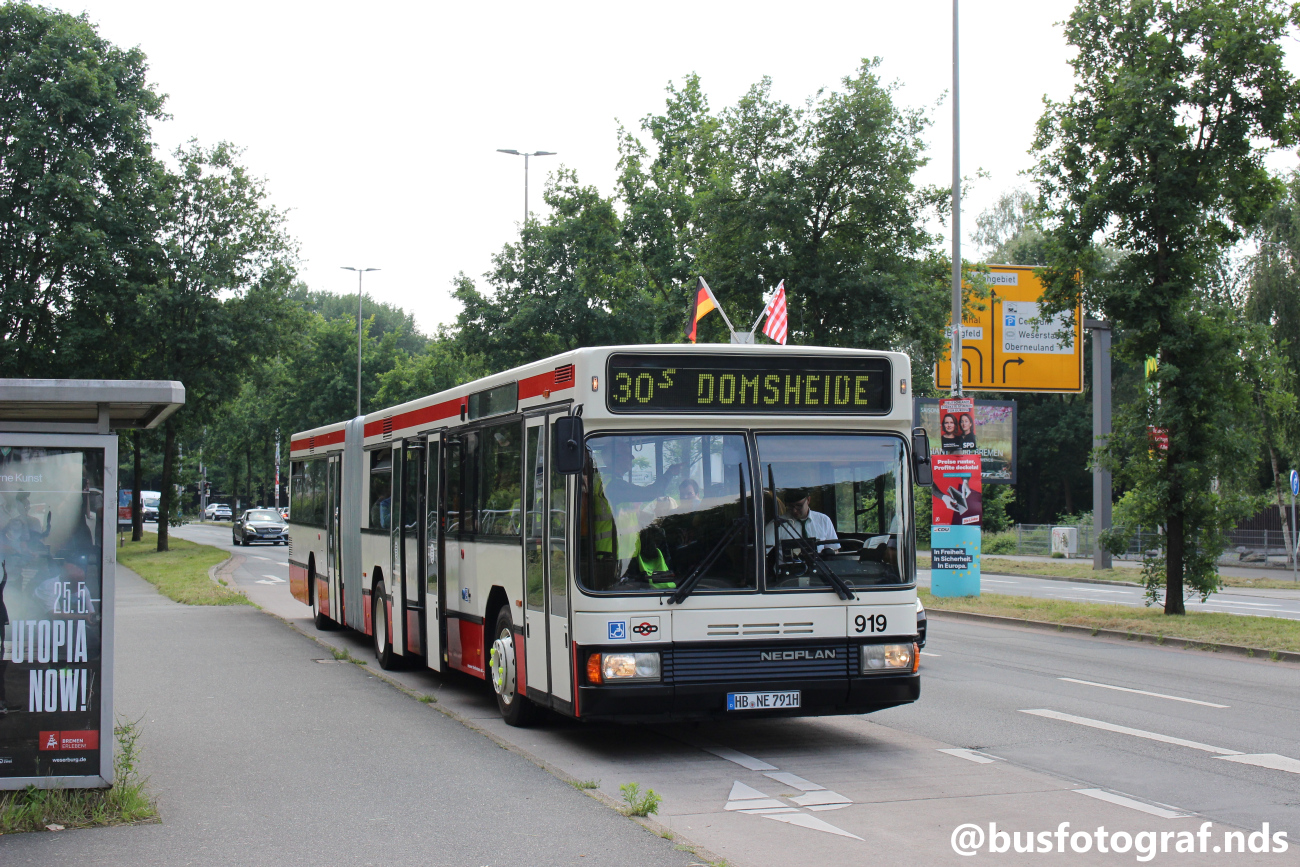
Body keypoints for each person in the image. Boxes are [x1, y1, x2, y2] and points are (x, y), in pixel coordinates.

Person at [764, 488, 839, 554]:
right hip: (788, 568)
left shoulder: (823, 520)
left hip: (819, 568)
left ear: (808, 500)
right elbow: (761, 551)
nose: (794, 511)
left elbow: (834, 550)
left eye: (799, 506)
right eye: (790, 506)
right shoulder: (778, 524)